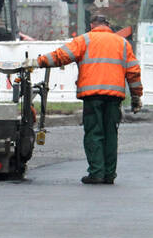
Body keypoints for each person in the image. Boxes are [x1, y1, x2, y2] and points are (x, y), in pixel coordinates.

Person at [36, 13, 142, 184]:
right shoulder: (122, 43)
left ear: (92, 26)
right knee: (111, 134)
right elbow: (133, 71)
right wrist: (136, 95)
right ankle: (109, 175)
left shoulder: (84, 40)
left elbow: (61, 55)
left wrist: (39, 61)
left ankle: (96, 173)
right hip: (114, 97)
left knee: (94, 133)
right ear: (108, 25)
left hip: (92, 96)